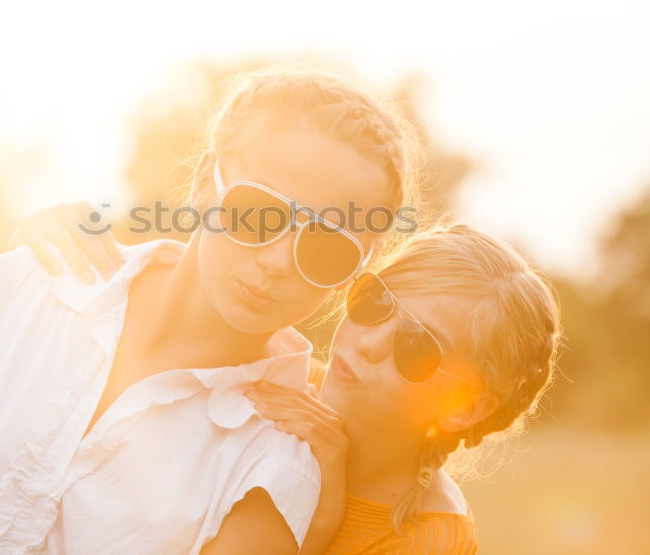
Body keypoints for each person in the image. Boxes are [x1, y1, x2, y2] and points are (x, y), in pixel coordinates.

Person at [0, 70, 420, 554]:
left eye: (325, 247)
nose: (276, 260)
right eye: (258, 213)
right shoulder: (45, 276)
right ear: (204, 185)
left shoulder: (280, 454)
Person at [30, 218, 562, 554]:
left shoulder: (428, 540)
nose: (369, 341)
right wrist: (61, 238)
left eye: (416, 346)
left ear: (465, 407)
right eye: (375, 301)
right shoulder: (274, 370)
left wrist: (323, 509)